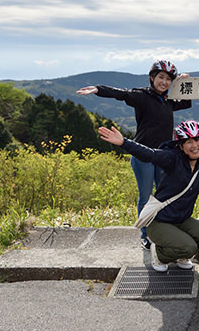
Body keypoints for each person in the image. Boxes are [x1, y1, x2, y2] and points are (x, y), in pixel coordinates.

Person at [77, 60, 190, 249]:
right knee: (145, 197)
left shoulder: (168, 101)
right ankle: (146, 235)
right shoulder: (142, 96)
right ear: (152, 77)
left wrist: (183, 83)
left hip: (163, 156)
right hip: (143, 155)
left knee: (164, 196)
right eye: (161, 77)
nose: (164, 82)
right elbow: (121, 94)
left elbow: (186, 102)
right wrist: (98, 89)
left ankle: (164, 231)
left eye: (169, 79)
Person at [98, 120, 199, 272]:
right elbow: (150, 154)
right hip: (160, 221)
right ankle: (158, 253)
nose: (194, 145)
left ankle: (180, 254)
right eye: (188, 141)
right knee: (190, 247)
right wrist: (124, 142)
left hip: (180, 220)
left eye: (197, 140)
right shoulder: (172, 158)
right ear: (180, 145)